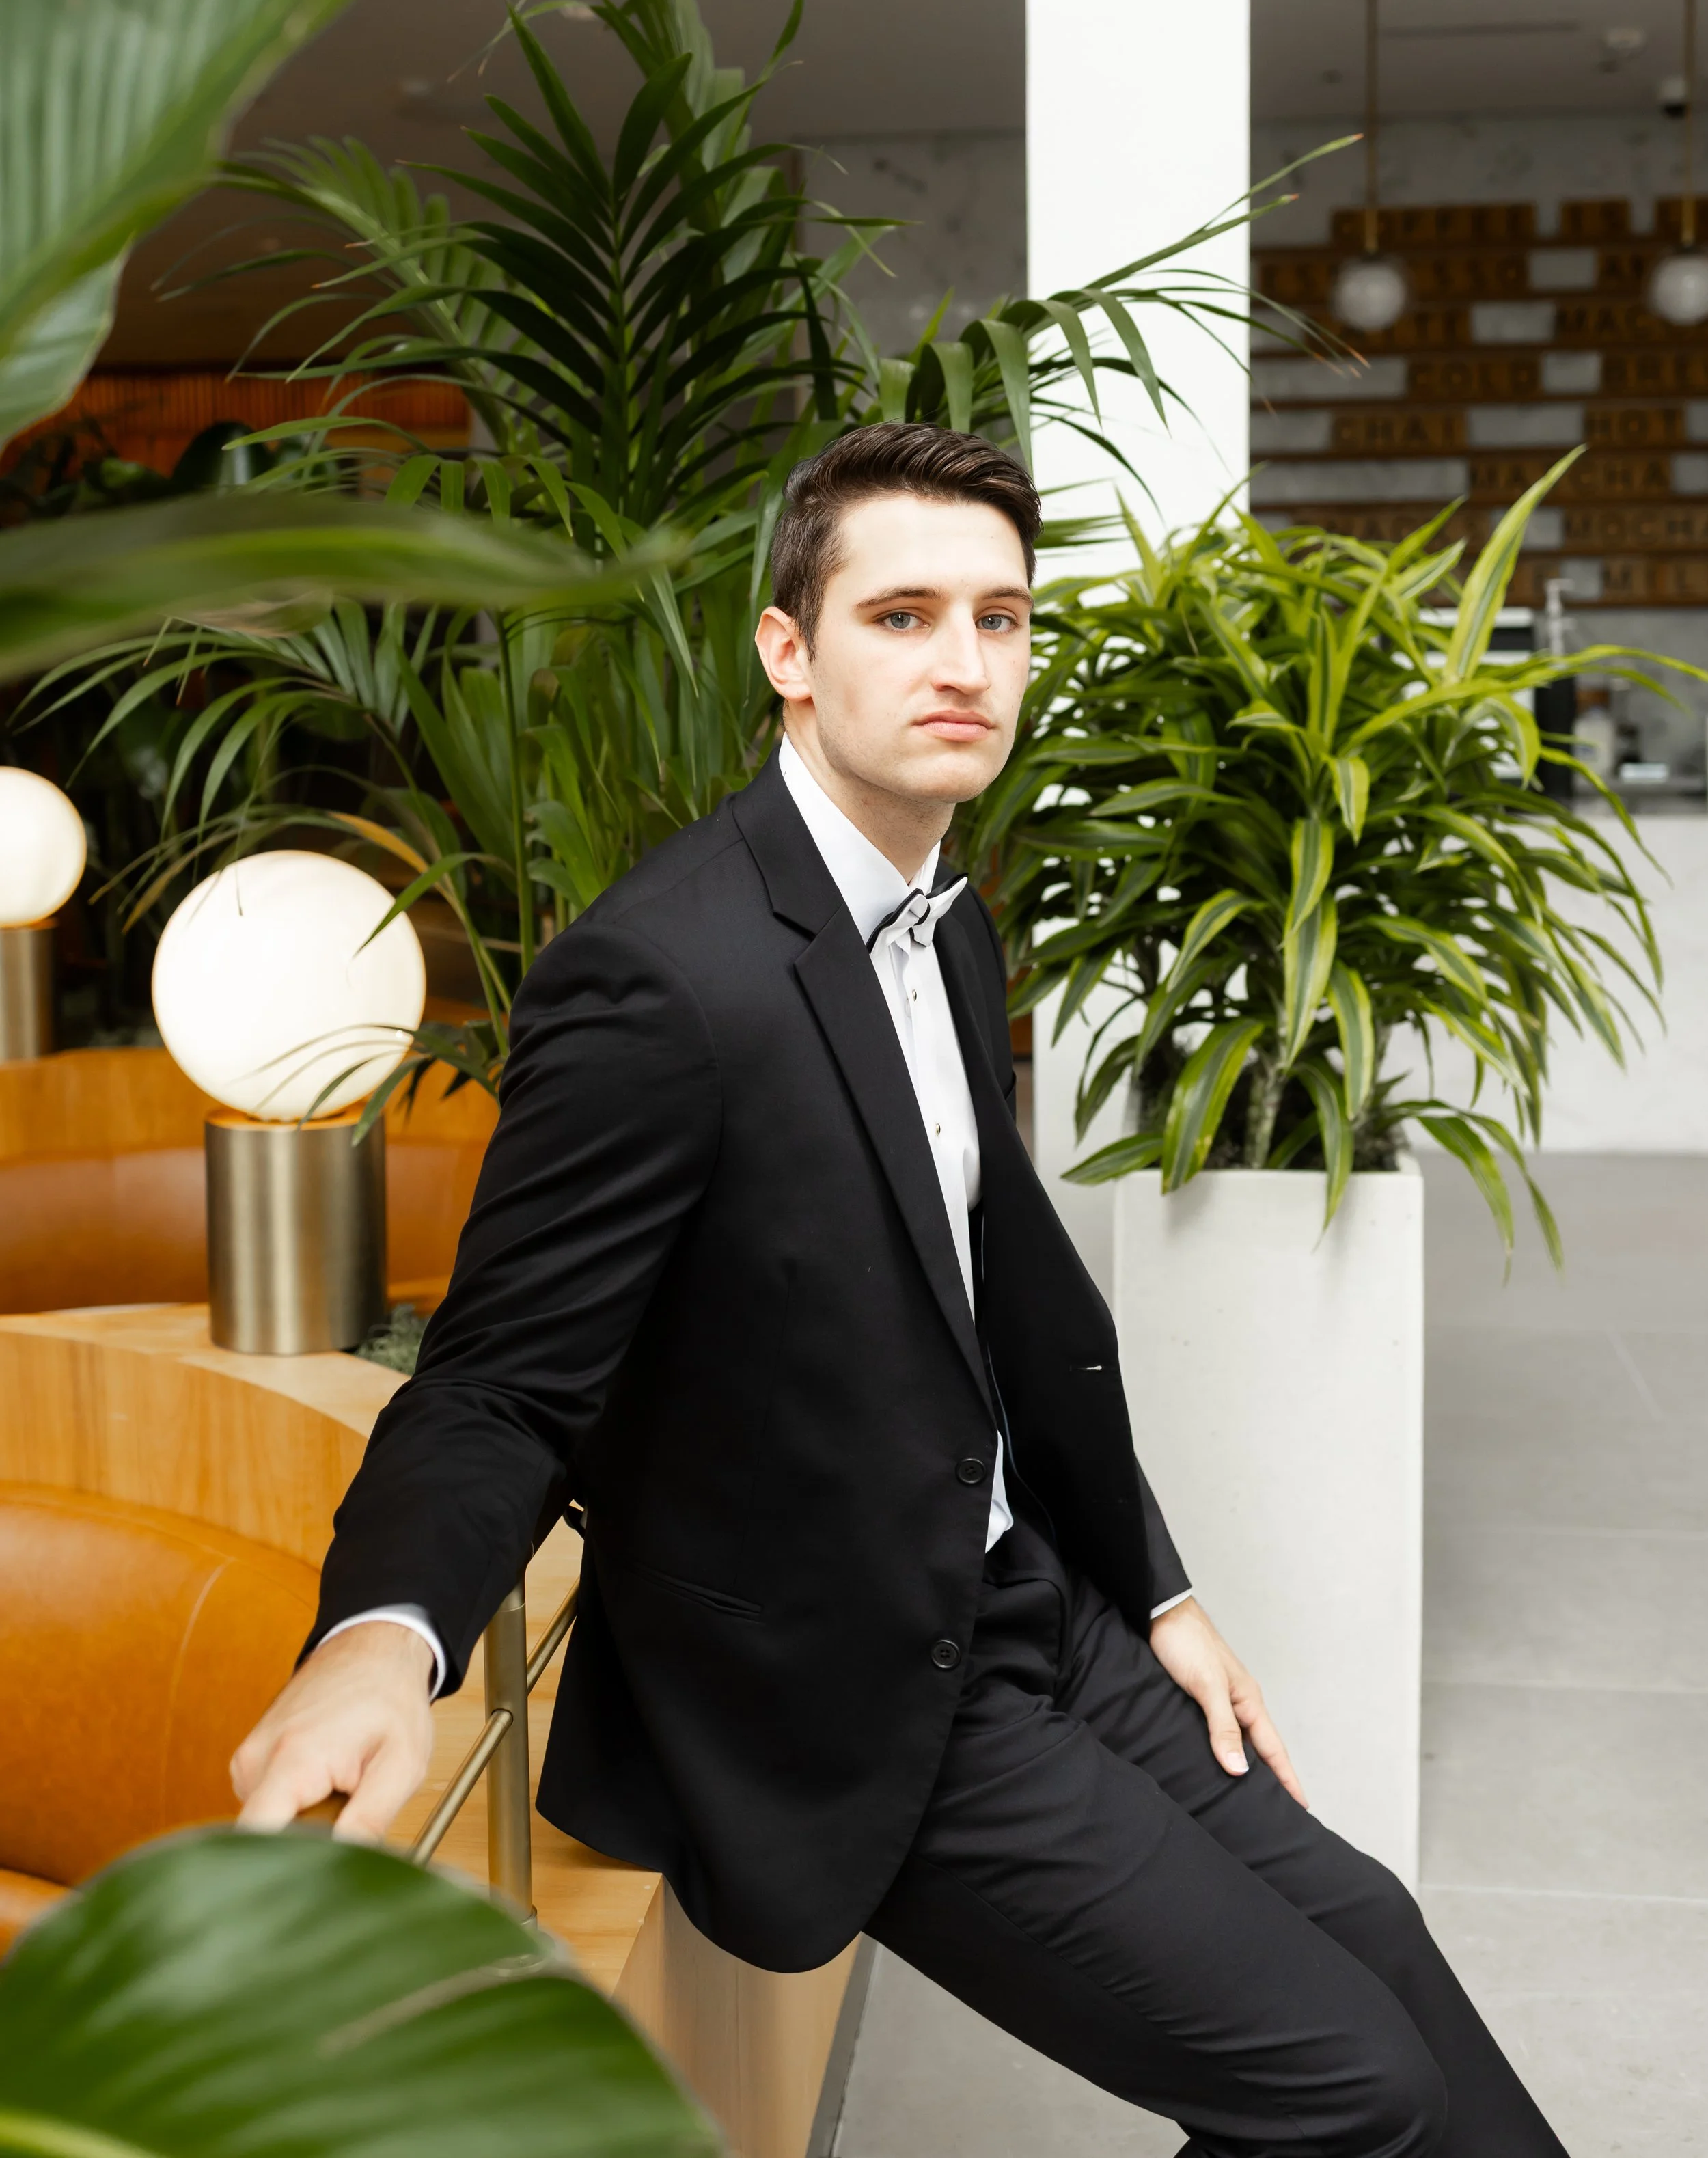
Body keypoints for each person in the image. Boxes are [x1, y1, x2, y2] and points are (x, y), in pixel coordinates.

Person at [234, 424, 1567, 2158]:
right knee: (1351, 2095)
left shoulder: (943, 910)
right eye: (903, 614)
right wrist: (378, 1641)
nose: (964, 662)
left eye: (1001, 618)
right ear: (787, 653)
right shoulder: (661, 978)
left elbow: (998, 1295)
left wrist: (1153, 1591)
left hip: (1034, 1603)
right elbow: (498, 1382)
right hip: (857, 1686)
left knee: (1378, 1933)